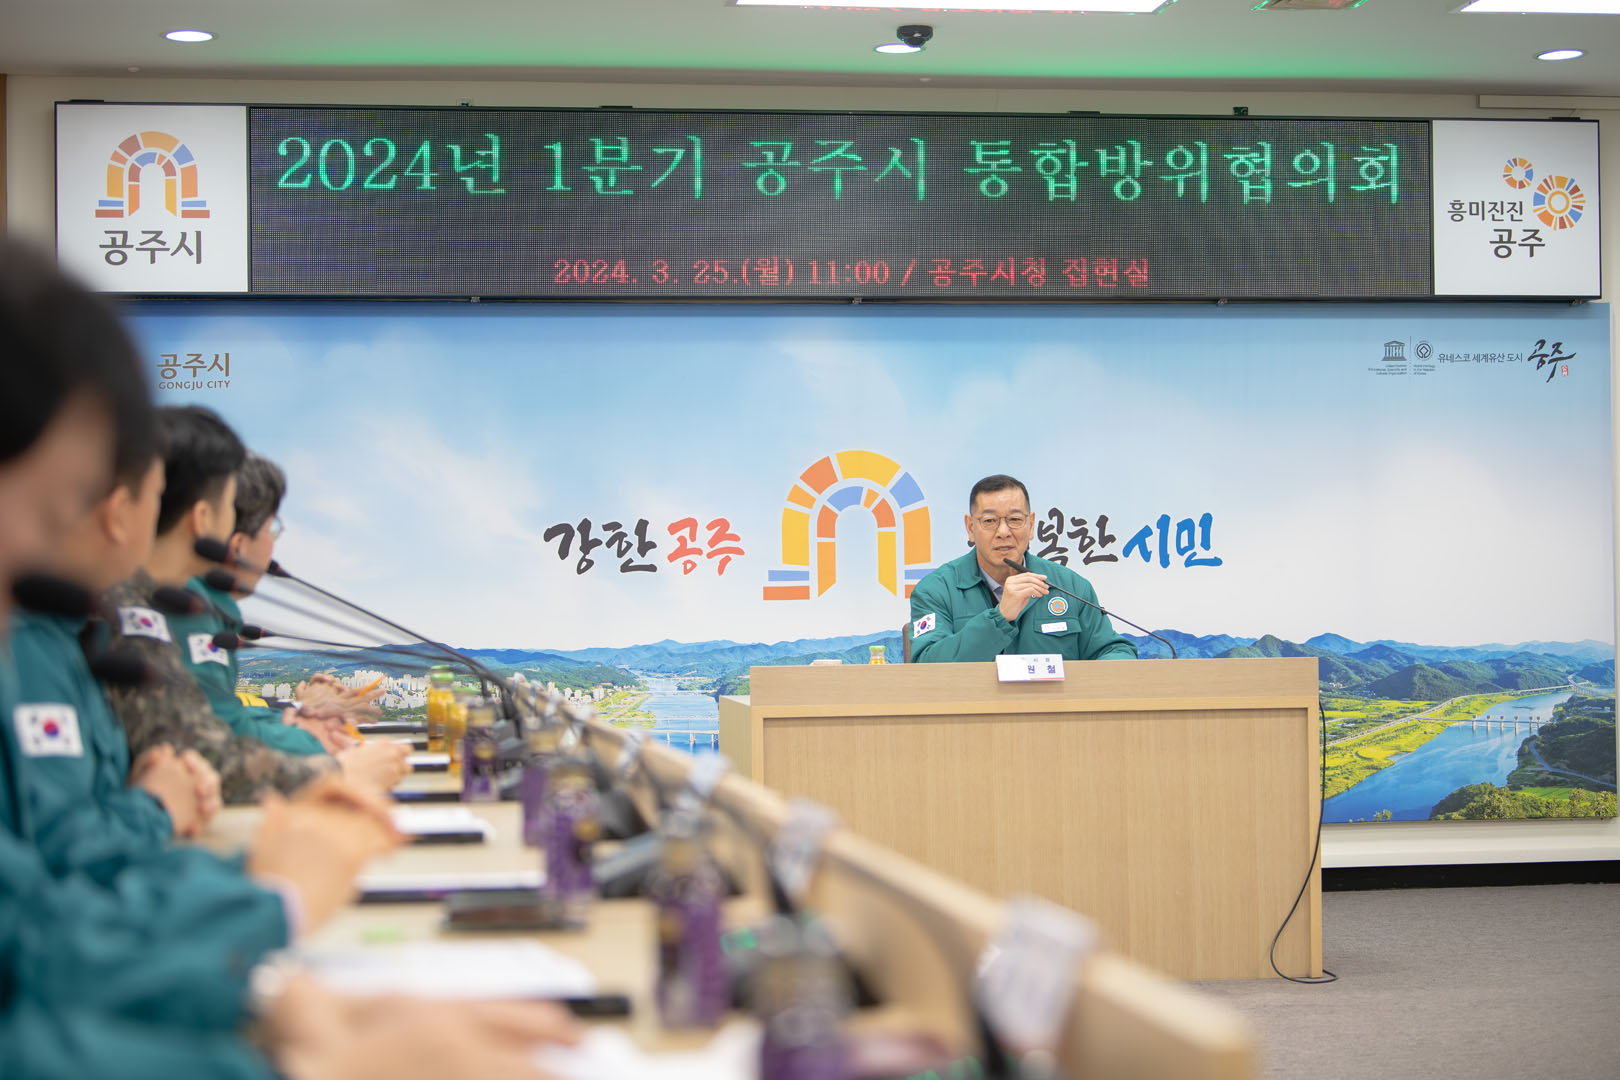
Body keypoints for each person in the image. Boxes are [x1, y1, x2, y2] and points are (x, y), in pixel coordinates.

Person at [0, 241, 578, 1079]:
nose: (115, 519)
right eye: (64, 502)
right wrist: (273, 920)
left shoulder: (75, 631)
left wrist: (263, 998)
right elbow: (54, 941)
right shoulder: (56, 641)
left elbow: (35, 937)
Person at [103, 407, 408, 800]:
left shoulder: (142, 602)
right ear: (203, 518)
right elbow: (206, 749)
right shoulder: (138, 611)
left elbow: (199, 721)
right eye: (230, 505)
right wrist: (336, 771)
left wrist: (292, 715)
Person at [173, 450, 379, 754]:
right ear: (238, 545)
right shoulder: (192, 610)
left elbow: (227, 715)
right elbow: (225, 742)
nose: (274, 545)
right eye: (272, 528)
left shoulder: (204, 608)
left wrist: (299, 712)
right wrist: (312, 737)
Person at [908, 474, 1138, 664]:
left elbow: (1114, 650)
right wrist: (1000, 618)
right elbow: (927, 668)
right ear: (970, 528)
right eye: (989, 521)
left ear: (1031, 524)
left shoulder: (1070, 586)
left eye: (1015, 520)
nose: (1003, 532)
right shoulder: (936, 590)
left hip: (1054, 707)